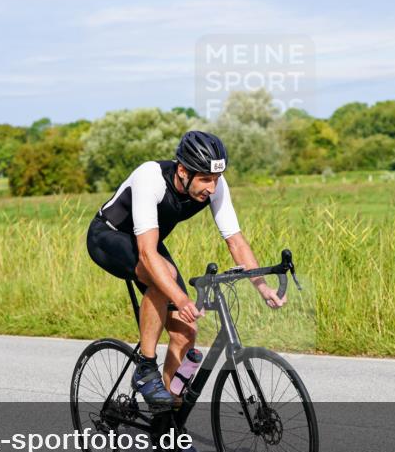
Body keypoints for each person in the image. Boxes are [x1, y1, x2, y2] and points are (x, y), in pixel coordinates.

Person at [86, 130, 287, 416]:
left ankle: (166, 427)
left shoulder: (214, 186)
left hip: (149, 244)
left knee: (185, 333)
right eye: (205, 179)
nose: (212, 188)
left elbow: (235, 241)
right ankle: (145, 366)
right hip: (108, 236)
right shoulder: (150, 178)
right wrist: (181, 298)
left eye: (216, 179)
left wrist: (262, 286)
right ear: (183, 171)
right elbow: (146, 253)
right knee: (162, 277)